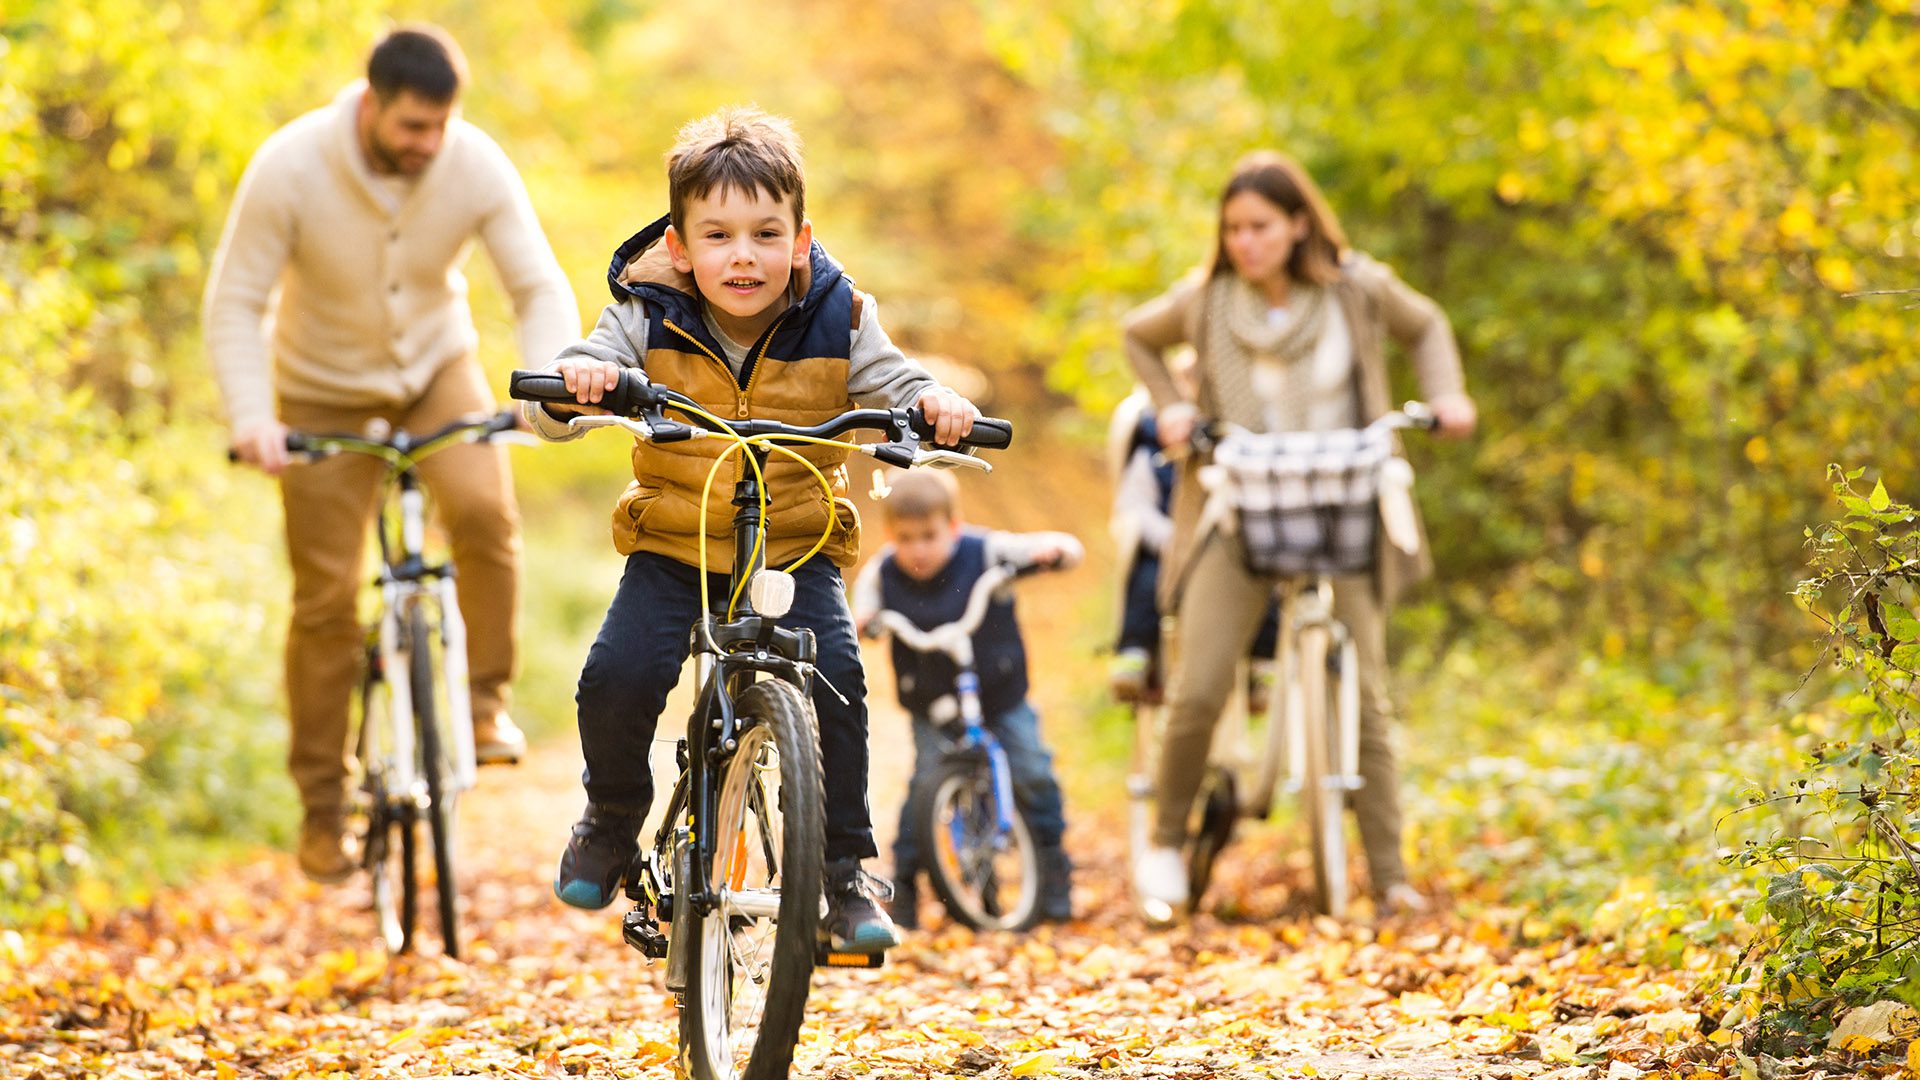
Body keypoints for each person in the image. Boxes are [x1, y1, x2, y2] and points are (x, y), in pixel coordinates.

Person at [525, 107, 981, 952]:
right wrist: (578, 382)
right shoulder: (645, 312)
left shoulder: (842, 317)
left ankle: (843, 871)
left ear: (800, 241)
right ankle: (611, 817)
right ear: (681, 246)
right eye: (719, 236)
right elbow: (560, 400)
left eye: (767, 234)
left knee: (838, 679)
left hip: (793, 546)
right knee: (618, 675)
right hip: (675, 545)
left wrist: (934, 405)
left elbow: (900, 383)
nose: (744, 256)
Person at [203, 25, 579, 884]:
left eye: (441, 125)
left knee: (483, 514)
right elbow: (236, 302)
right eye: (413, 126)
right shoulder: (290, 165)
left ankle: (483, 704)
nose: (429, 144)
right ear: (371, 103)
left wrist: (545, 387)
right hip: (320, 392)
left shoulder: (472, 162)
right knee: (327, 601)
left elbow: (536, 284)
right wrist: (253, 417)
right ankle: (322, 809)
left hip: (435, 375)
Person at [1123, 150, 1477, 918]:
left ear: (1297, 224)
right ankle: (1166, 844)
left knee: (1366, 692)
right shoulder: (1207, 300)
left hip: (1342, 500)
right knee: (1200, 685)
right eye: (1233, 229)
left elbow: (1427, 327)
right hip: (1238, 502)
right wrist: (1171, 407)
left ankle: (1390, 878)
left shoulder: (1356, 290)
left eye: (1260, 226)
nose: (1245, 242)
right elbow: (1137, 335)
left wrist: (1446, 397)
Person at [849, 470, 1083, 927]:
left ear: (953, 527)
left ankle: (1053, 869)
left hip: (1000, 693)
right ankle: (906, 884)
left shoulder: (985, 551)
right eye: (905, 539)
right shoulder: (883, 572)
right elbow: (861, 609)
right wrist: (864, 620)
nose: (918, 549)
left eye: (930, 536)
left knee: (1033, 770)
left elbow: (1063, 550)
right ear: (890, 535)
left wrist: (1051, 553)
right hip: (932, 702)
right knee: (926, 785)